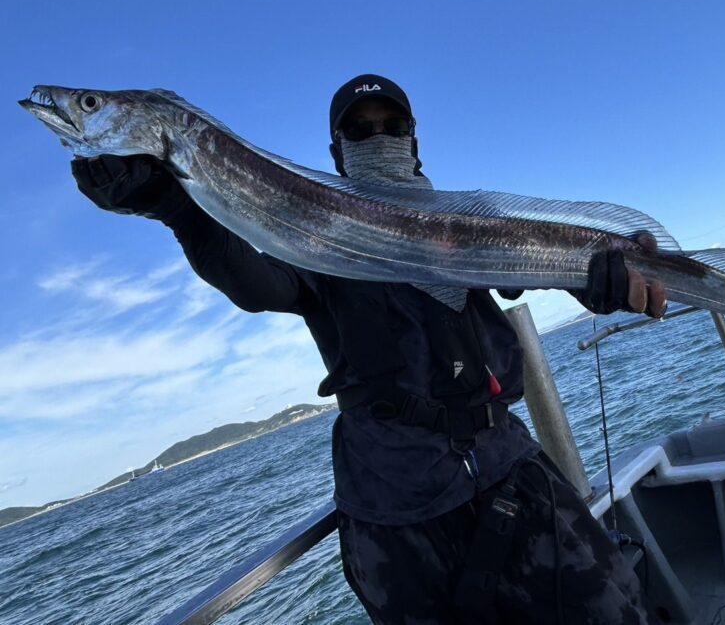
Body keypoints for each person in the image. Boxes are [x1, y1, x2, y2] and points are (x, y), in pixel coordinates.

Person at [71, 74, 668, 624]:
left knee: (617, 611)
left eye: (393, 125)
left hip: (508, 464)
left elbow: (537, 261)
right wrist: (177, 209)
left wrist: (599, 279)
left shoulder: (464, 226)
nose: (379, 136)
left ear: (414, 141)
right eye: (359, 130)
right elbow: (255, 284)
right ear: (337, 151)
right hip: (395, 497)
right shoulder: (311, 237)